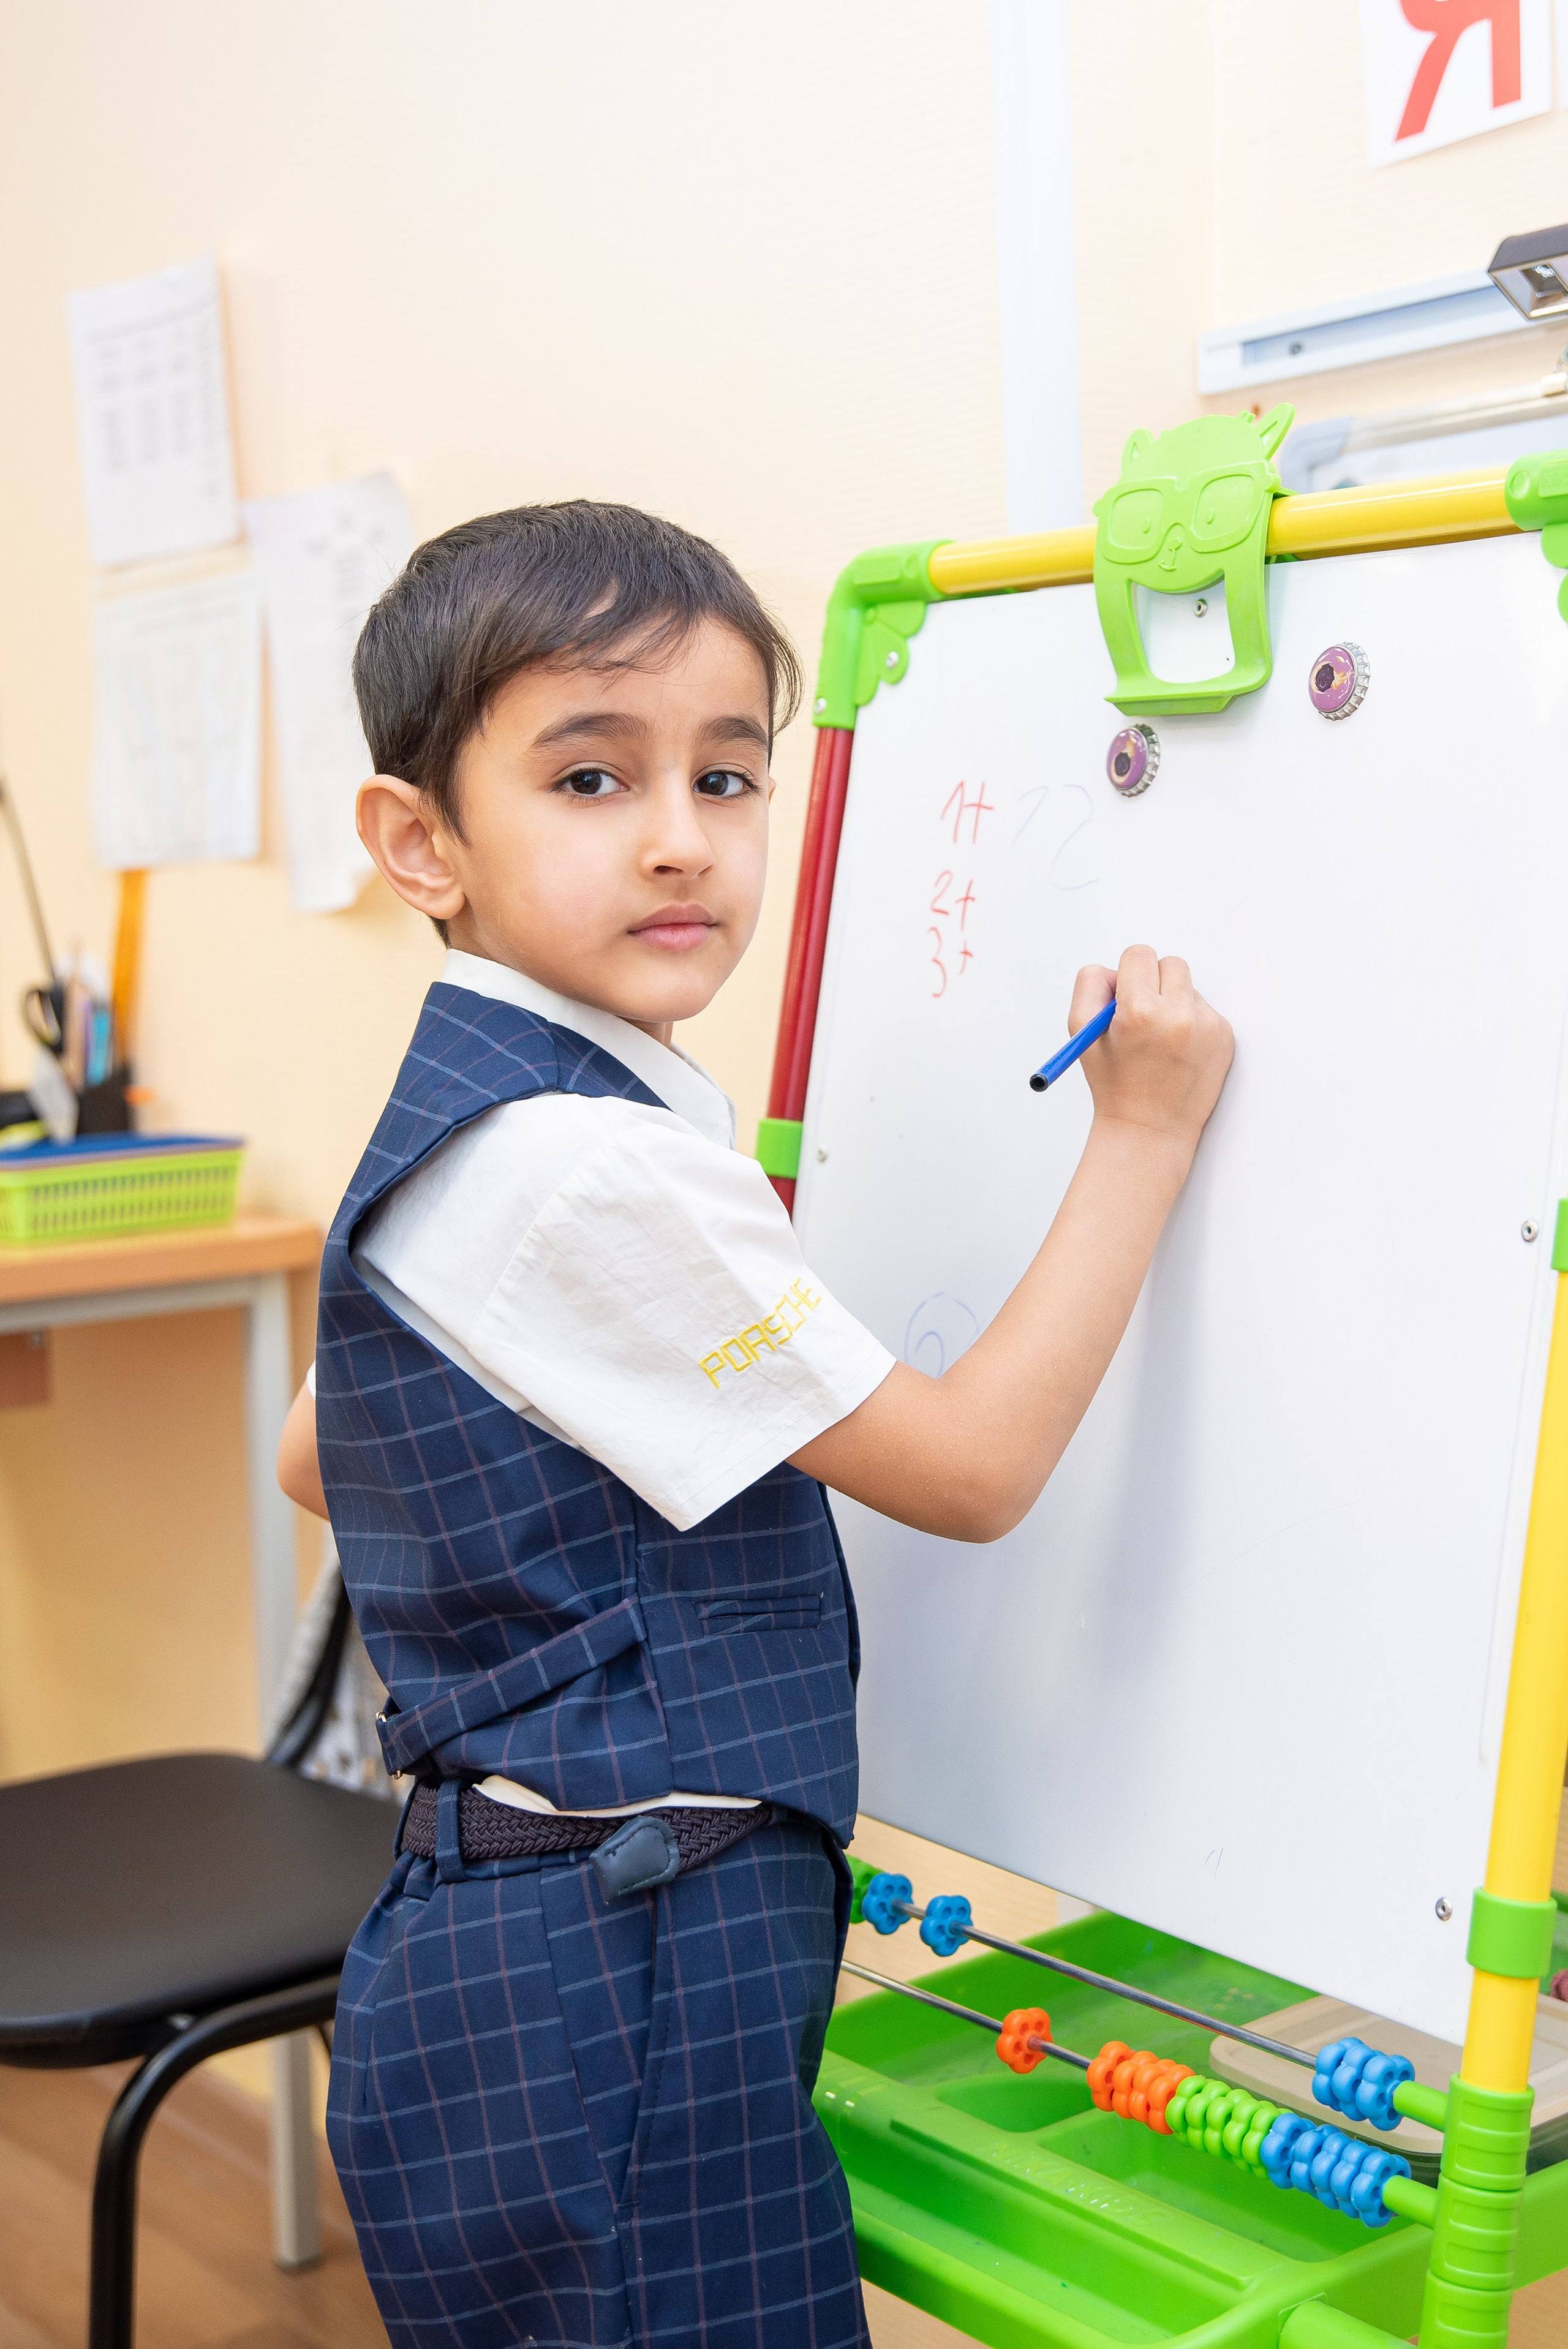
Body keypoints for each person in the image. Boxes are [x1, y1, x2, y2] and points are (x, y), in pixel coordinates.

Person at [277, 499, 1233, 2349]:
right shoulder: (587, 1166)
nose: (678, 839)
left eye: (728, 777)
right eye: (588, 775)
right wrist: (1142, 1133)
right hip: (626, 1963)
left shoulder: (471, 1113)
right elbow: (969, 1472)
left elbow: (316, 1449)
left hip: (497, 1952)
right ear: (421, 841)